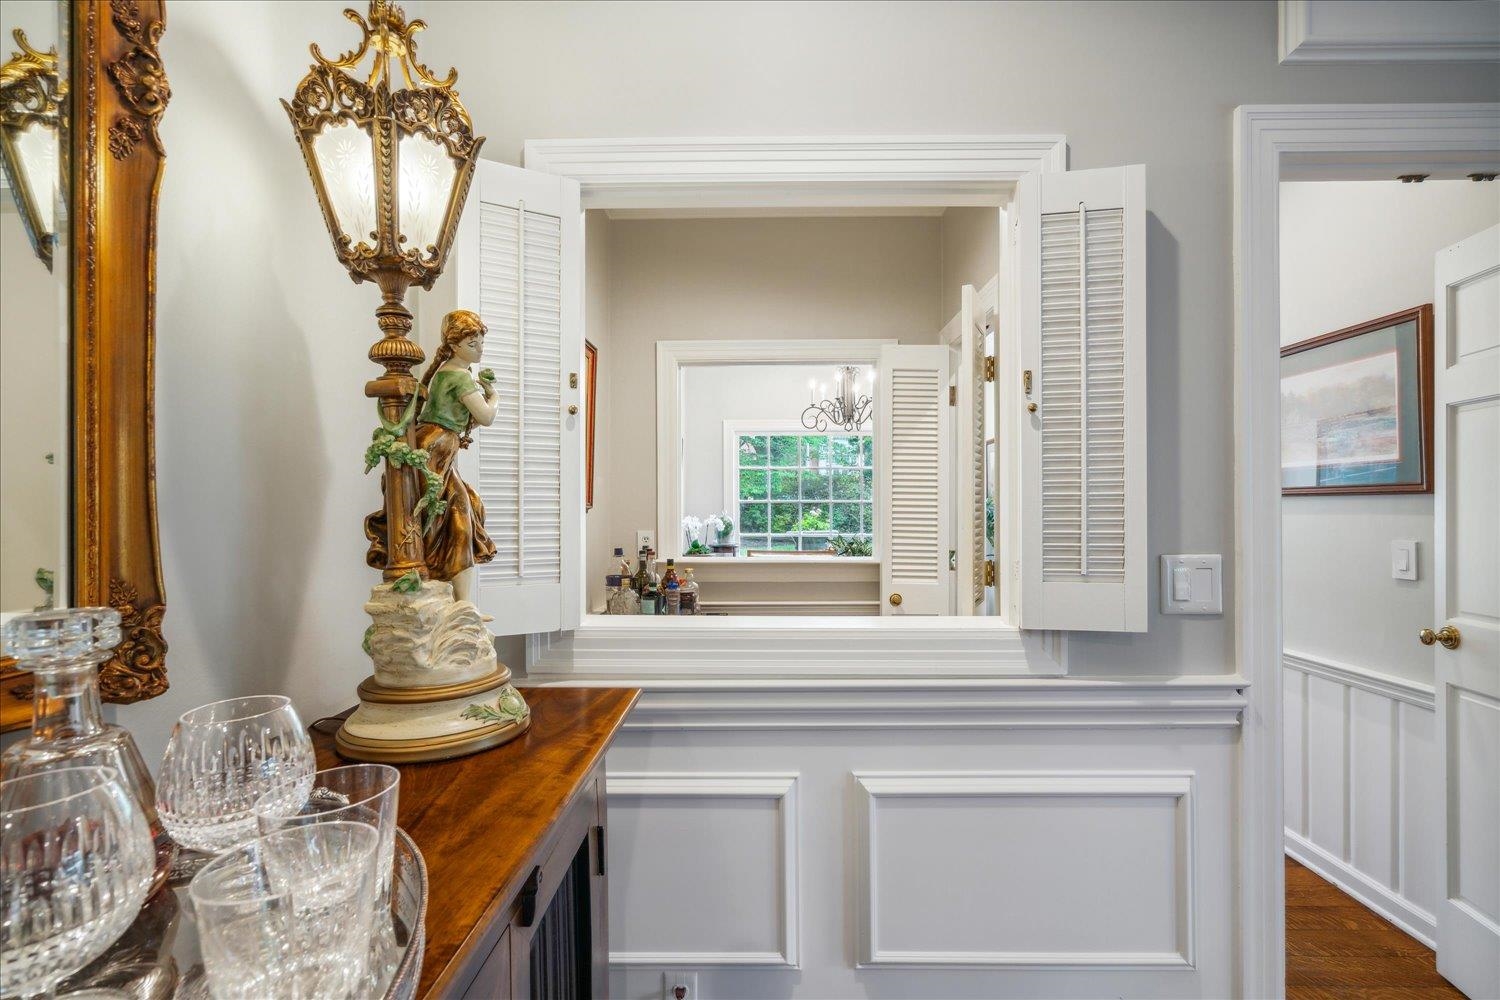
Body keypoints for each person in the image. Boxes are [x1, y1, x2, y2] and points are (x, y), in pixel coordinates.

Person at [365, 309, 496, 604]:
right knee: (456, 514)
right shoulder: (459, 377)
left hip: (438, 445)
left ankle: (460, 601)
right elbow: (486, 416)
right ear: (453, 346)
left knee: (461, 512)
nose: (480, 350)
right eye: (472, 344)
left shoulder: (448, 371)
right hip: (437, 446)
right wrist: (494, 396)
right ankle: (461, 602)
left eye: (480, 343)